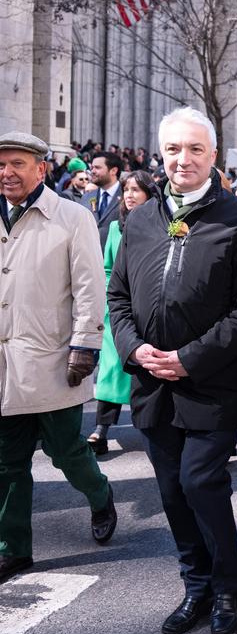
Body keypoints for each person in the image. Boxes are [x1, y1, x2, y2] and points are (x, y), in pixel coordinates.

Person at [107, 107, 237, 634]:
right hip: (151, 384)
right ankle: (195, 586)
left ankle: (228, 589)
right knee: (172, 492)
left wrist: (190, 357)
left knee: (202, 482)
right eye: (174, 149)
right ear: (161, 154)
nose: (184, 159)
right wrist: (136, 350)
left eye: (195, 149)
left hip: (210, 383)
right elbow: (119, 296)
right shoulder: (140, 218)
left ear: (213, 157)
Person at [0, 132, 118, 585]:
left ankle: (100, 493)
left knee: (65, 451)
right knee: (7, 461)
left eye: (17, 164)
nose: (7, 173)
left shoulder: (70, 217)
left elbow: (91, 287)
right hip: (5, 367)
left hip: (51, 357)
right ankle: (13, 549)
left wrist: (85, 345)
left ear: (40, 169)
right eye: (1, 165)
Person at [89, 171, 160, 455]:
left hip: (151, 307)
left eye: (136, 190)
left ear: (149, 194)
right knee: (111, 369)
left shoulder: (162, 224)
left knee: (147, 368)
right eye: (126, 190)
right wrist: (109, 297)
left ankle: (153, 429)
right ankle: (101, 428)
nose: (129, 195)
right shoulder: (116, 228)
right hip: (117, 308)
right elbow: (106, 267)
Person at [82, 151, 124, 244]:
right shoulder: (86, 198)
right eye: (92, 167)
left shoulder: (126, 197)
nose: (92, 171)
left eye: (97, 168)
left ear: (113, 171)